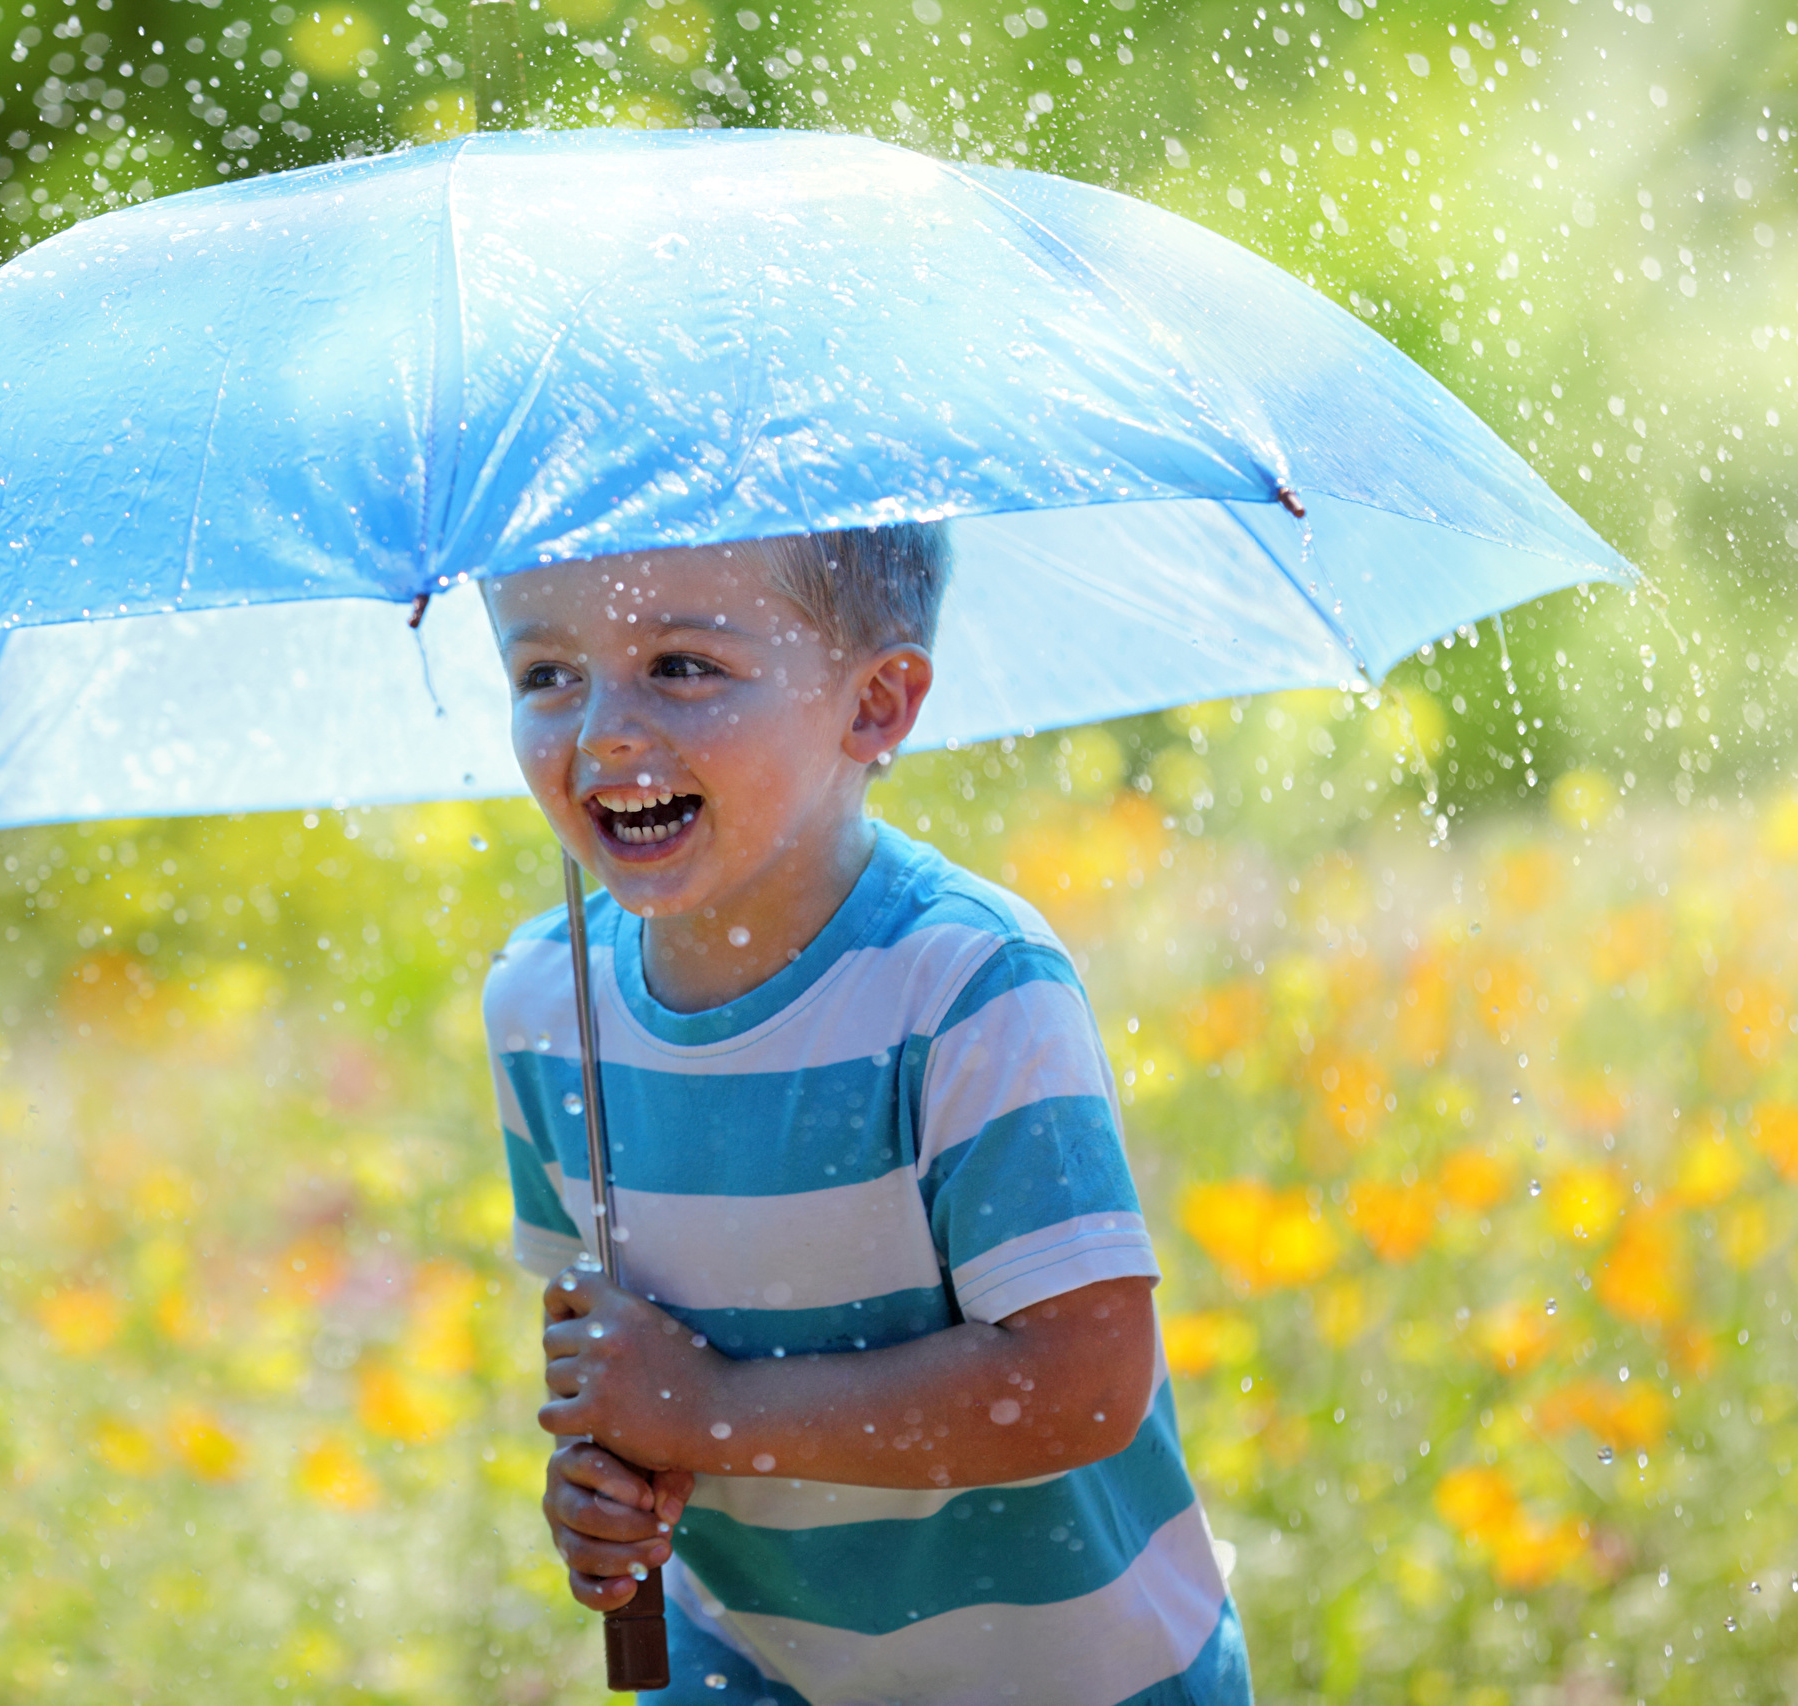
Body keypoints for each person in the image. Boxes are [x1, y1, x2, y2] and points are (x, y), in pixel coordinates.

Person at [477, 524, 1251, 1705]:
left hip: (1066, 1675)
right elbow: (612, 1352)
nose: (602, 734)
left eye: (681, 664)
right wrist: (609, 1473)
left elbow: (1083, 1378)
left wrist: (716, 1410)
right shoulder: (545, 1002)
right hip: (746, 1663)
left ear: (875, 704)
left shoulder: (963, 985)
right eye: (546, 675)